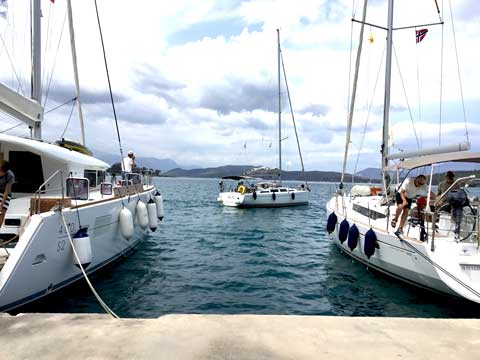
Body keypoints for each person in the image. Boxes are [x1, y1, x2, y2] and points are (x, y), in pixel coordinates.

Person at [0, 161, 15, 227]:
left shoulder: (10, 175)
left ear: (5, 172)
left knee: (1, 213)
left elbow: (6, 192)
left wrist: (1, 204)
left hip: (5, 193)